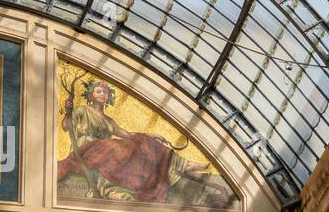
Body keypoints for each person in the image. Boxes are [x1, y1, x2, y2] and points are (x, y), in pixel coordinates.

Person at [57, 78, 229, 205]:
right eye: (98, 91)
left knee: (140, 142)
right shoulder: (82, 110)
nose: (103, 94)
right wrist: (69, 111)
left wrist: (150, 137)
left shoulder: (109, 121)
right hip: (87, 148)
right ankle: (111, 190)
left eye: (106, 91)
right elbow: (66, 126)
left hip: (105, 150)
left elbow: (127, 134)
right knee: (116, 149)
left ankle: (182, 164)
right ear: (90, 95)